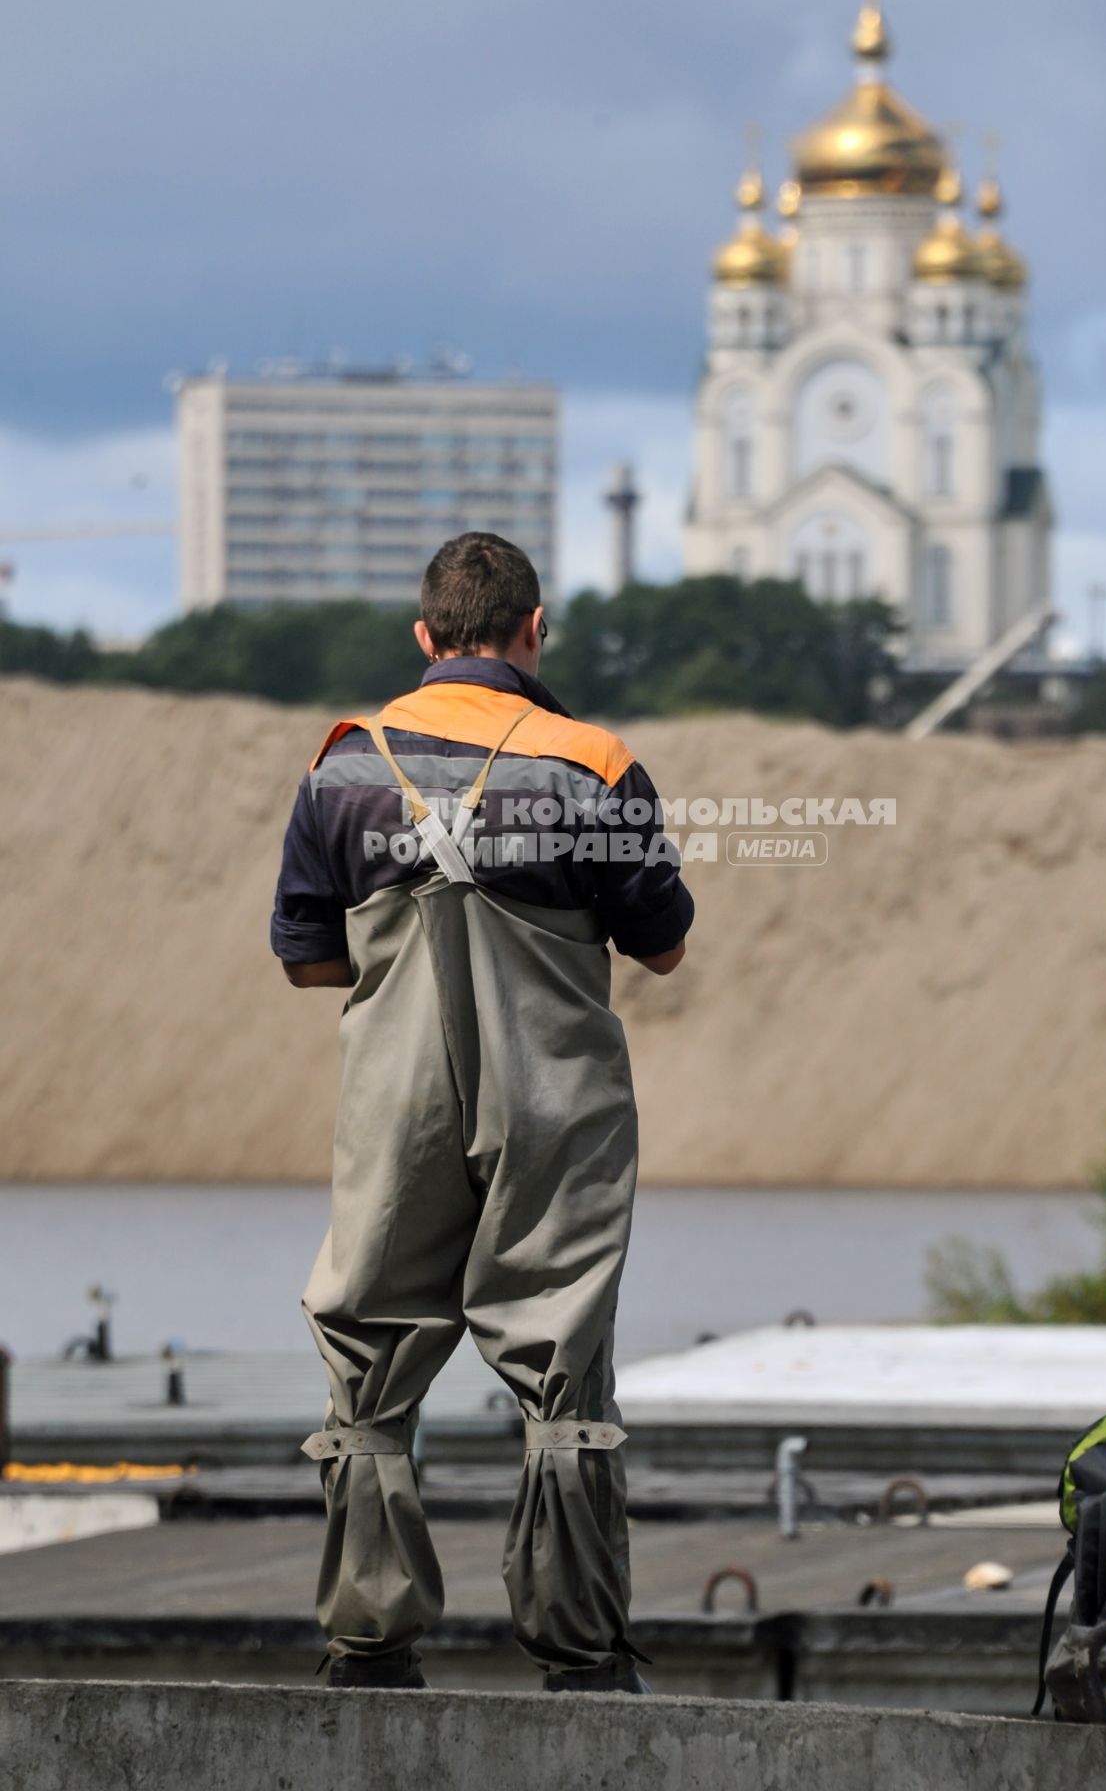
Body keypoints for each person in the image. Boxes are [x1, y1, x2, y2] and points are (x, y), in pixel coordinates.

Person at [270, 531, 693, 1693]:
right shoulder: (593, 763)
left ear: (424, 639)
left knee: (367, 1346)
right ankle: (579, 1655)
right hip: (553, 1101)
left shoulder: (342, 767)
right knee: (560, 1358)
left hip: (394, 1105)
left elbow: (308, 962)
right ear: (532, 629)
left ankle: (367, 1645)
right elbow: (660, 945)